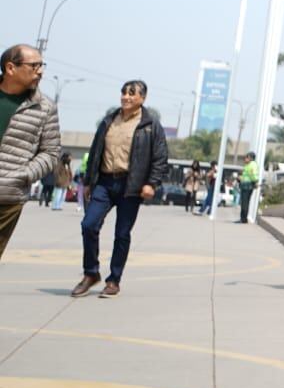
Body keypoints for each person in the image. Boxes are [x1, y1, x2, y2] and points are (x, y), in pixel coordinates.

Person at [73, 79, 168, 297]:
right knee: (89, 224)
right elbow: (96, 150)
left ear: (142, 98)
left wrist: (151, 183)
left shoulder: (151, 126)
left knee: (122, 234)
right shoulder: (108, 121)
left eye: (132, 93)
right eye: (124, 92)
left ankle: (114, 280)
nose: (126, 97)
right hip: (104, 183)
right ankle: (90, 273)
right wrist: (89, 182)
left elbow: (160, 158)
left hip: (131, 186)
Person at [0, 45, 61, 259]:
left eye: (41, 65)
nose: (40, 71)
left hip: (7, 196)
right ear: (10, 68)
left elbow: (51, 152)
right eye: (34, 66)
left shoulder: (45, 108)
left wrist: (23, 175)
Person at [237, 151, 261, 223]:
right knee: (244, 202)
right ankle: (243, 218)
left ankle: (244, 219)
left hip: (247, 185)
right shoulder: (248, 164)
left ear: (250, 158)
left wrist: (255, 181)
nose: (245, 159)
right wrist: (240, 178)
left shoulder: (252, 165)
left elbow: (253, 174)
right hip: (245, 184)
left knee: (245, 202)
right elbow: (246, 174)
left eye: (246, 157)